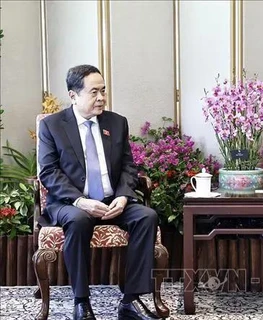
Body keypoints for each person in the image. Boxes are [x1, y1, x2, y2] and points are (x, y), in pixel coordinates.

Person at [38, 65, 164, 320]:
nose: (101, 98)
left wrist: (123, 195)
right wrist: (81, 201)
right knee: (78, 219)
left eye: (103, 91)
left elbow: (129, 166)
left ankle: (131, 300)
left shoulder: (116, 123)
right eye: (93, 92)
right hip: (70, 203)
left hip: (111, 201)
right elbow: (49, 172)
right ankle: (81, 302)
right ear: (73, 95)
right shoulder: (52, 125)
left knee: (146, 216)